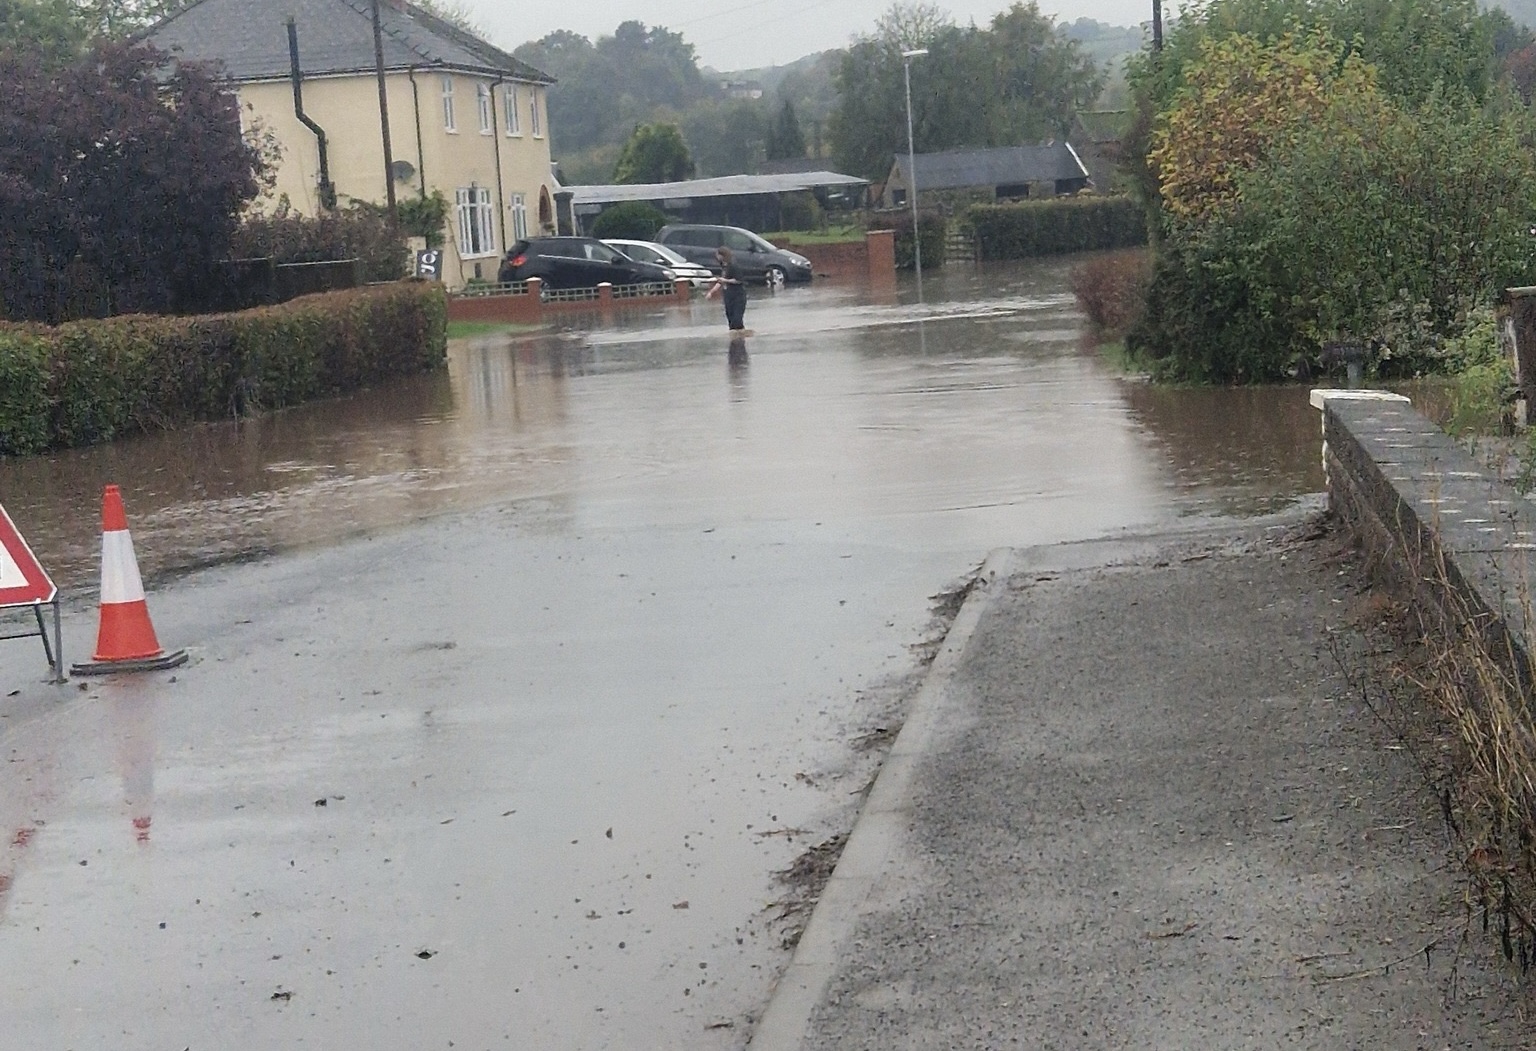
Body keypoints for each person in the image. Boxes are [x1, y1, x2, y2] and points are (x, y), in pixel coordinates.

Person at [706, 246, 749, 334]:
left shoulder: (733, 266)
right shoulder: (723, 267)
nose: (716, 257)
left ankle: (740, 337)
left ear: (722, 255)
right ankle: (735, 339)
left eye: (717, 255)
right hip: (728, 295)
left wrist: (725, 280)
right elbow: (720, 281)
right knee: (730, 317)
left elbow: (738, 280)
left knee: (737, 319)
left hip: (738, 295)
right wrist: (711, 292)